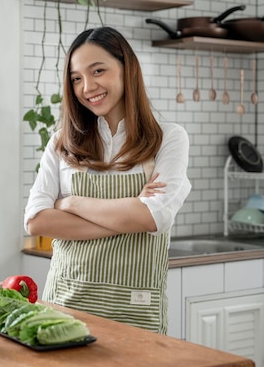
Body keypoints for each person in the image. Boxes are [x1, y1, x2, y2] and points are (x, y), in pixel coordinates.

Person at [24, 27, 191, 334]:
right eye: (76, 78)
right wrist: (128, 218)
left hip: (135, 311)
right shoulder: (63, 141)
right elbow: (35, 221)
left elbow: (153, 216)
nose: (87, 87)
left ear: (127, 69)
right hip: (65, 305)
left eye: (97, 70)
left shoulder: (168, 139)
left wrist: (70, 203)